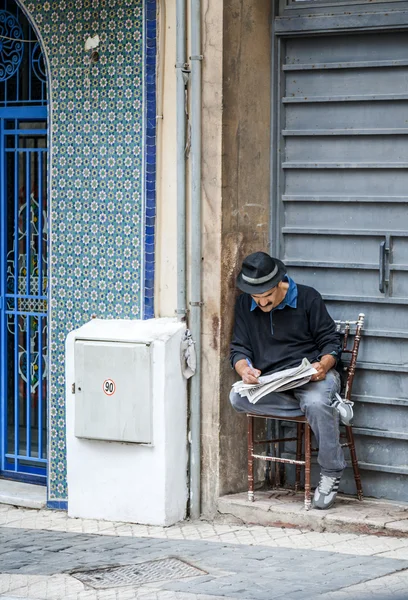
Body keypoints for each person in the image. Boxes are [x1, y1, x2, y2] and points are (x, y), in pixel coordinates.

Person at [229, 251, 351, 510]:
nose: (261, 304)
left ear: (278, 284)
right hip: (274, 384)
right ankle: (326, 408)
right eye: (255, 298)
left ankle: (331, 471)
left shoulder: (307, 297)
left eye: (266, 297)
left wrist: (323, 364)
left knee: (317, 401)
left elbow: (331, 342)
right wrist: (245, 370)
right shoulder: (244, 305)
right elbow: (239, 349)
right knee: (236, 397)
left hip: (311, 377)